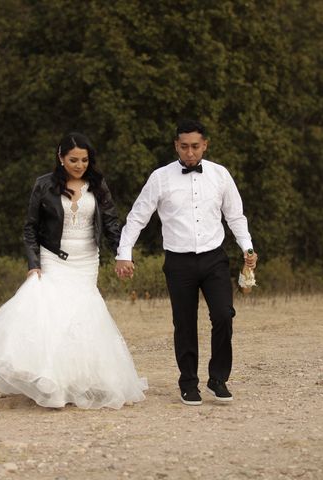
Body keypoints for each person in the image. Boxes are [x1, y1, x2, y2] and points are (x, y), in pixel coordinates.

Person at [0, 132, 147, 409]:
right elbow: (30, 227)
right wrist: (34, 265)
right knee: (54, 316)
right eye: (73, 160)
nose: (79, 165)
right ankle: (51, 383)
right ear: (61, 158)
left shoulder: (98, 185)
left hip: (87, 260)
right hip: (53, 257)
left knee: (81, 317)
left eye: (84, 160)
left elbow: (112, 223)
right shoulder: (44, 185)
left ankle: (77, 381)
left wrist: (122, 255)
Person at [115, 119, 257, 406]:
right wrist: (124, 252)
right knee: (184, 323)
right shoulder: (160, 178)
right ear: (176, 146)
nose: (190, 153)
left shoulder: (220, 175)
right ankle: (188, 383)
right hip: (178, 262)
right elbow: (137, 216)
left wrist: (247, 246)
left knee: (223, 315)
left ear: (205, 145)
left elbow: (235, 215)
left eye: (195, 146)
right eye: (184, 147)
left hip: (214, 257)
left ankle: (218, 380)